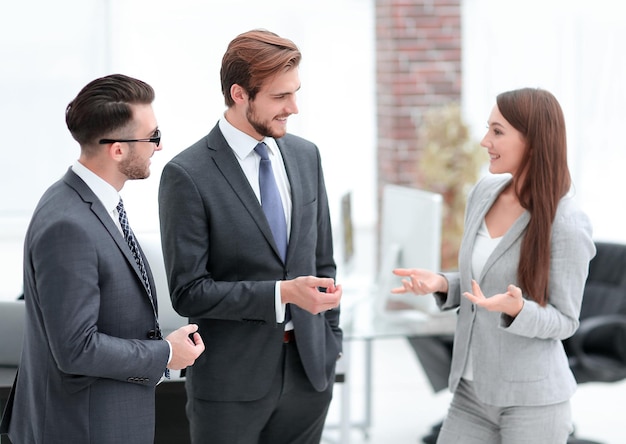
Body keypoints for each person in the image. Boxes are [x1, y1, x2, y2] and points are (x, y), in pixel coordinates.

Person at [158, 29, 343, 444]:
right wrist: (282, 294)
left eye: (295, 93)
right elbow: (189, 292)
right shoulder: (187, 175)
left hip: (310, 373)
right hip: (230, 385)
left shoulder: (305, 155)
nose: (293, 108)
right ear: (240, 94)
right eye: (280, 97)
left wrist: (331, 340)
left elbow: (323, 259)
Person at [0, 74, 205, 444]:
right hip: (83, 428)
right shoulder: (69, 223)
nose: (158, 147)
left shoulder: (84, 200)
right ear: (118, 150)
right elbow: (76, 349)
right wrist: (165, 354)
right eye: (153, 137)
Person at [392, 88, 596, 444]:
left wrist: (518, 310)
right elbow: (486, 282)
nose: (485, 141)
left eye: (497, 131)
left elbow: (566, 321)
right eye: (488, 129)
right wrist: (443, 283)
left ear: (532, 140)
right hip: (472, 391)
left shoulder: (566, 223)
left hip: (533, 403)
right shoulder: (484, 193)